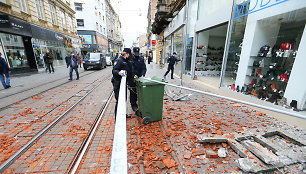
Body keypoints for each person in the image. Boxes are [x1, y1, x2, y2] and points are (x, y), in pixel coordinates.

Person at [111, 48, 133, 119]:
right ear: (126, 54)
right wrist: (119, 72)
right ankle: (117, 116)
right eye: (129, 54)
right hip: (117, 83)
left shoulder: (126, 61)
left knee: (124, 99)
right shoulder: (119, 60)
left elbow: (129, 71)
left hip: (123, 83)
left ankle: (123, 114)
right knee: (119, 100)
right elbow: (114, 70)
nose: (129, 56)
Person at [130, 47, 146, 113]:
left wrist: (142, 74)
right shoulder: (130, 59)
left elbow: (144, 68)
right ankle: (133, 105)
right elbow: (130, 69)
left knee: (139, 92)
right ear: (133, 52)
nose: (136, 54)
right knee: (133, 92)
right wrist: (133, 75)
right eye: (135, 53)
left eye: (137, 53)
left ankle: (139, 104)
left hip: (139, 78)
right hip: (132, 78)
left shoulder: (141, 59)